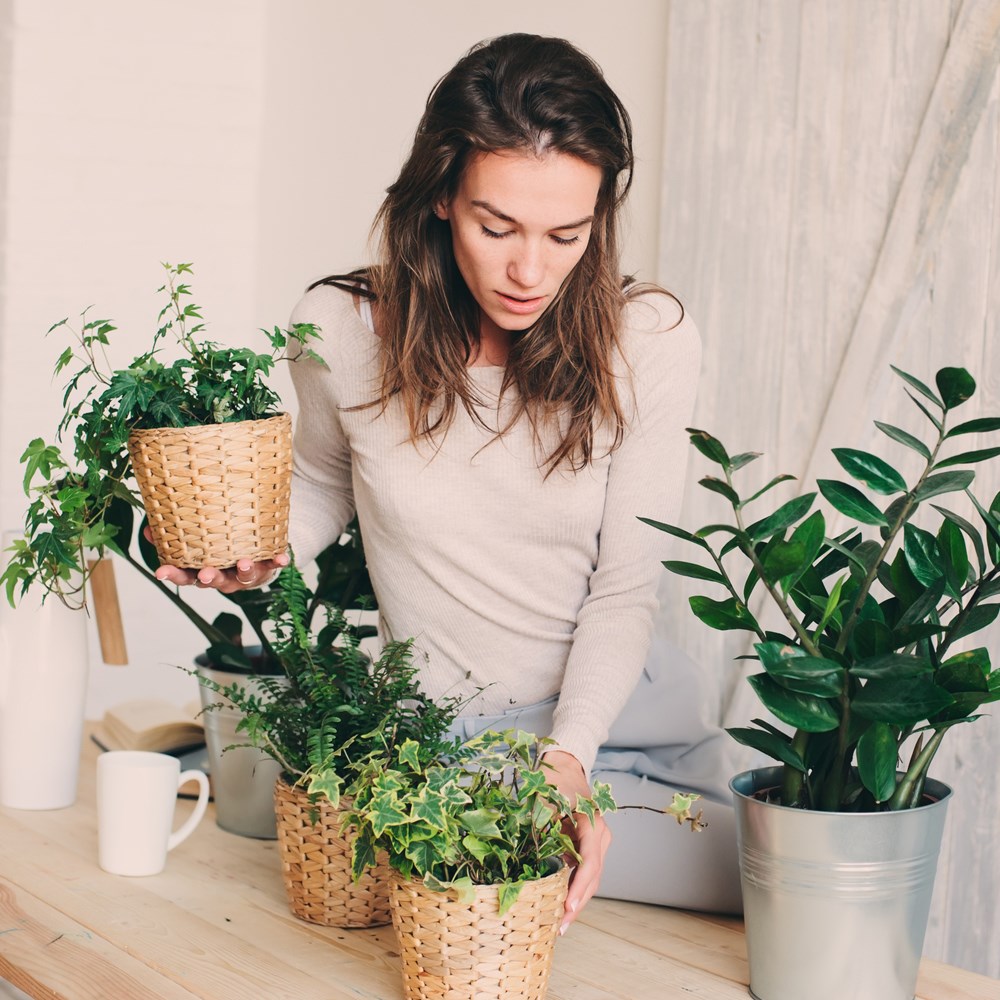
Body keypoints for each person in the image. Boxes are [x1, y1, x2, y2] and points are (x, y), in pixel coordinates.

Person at [156, 32, 742, 929]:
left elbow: (625, 588)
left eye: (566, 235)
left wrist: (568, 759)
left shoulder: (646, 341)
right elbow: (320, 483)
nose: (530, 270)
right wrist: (258, 551)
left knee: (771, 888)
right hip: (448, 745)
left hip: (620, 723)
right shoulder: (343, 331)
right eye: (496, 226)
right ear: (438, 198)